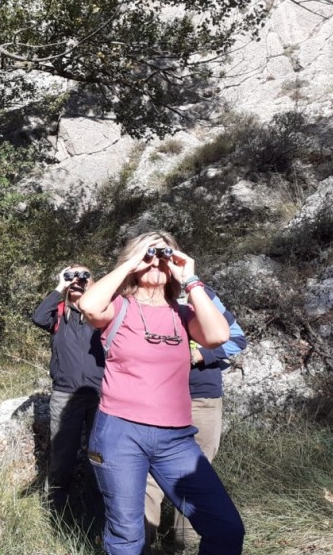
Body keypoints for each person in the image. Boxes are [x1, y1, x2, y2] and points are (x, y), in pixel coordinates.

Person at [78, 231, 245, 555]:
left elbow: (218, 335)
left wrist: (191, 279)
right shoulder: (118, 308)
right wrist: (129, 265)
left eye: (163, 255)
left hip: (176, 439)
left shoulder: (183, 315)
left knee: (225, 528)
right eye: (147, 255)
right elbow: (88, 304)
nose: (155, 260)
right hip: (120, 434)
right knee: (127, 537)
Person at [144, 285, 247, 551]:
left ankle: (184, 544)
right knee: (148, 473)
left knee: (196, 470)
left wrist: (201, 354)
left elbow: (237, 339)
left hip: (202, 397)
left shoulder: (201, 294)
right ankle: (143, 543)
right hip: (157, 397)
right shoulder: (141, 298)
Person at [32, 264, 105, 517]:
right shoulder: (59, 313)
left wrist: (93, 290)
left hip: (99, 394)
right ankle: (56, 509)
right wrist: (60, 286)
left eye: (84, 276)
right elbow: (38, 317)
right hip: (65, 393)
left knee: (97, 455)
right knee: (62, 454)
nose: (78, 281)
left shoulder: (101, 314)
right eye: (72, 277)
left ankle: (95, 511)